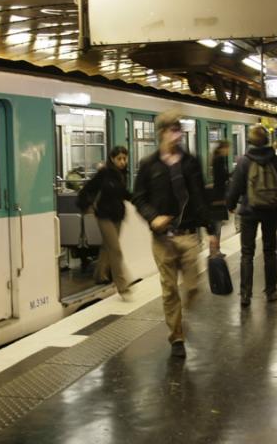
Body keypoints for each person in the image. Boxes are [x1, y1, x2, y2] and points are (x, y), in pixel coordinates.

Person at [132, 111, 218, 358]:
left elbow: (201, 197)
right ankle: (176, 337)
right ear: (161, 133)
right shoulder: (149, 165)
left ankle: (181, 316)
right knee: (169, 289)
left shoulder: (191, 162)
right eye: (172, 130)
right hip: (162, 238)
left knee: (192, 287)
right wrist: (152, 217)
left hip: (189, 235)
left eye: (179, 130)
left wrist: (212, 230)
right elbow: (138, 196)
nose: (177, 135)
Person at [226, 125, 277, 307]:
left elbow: (236, 186)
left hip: (249, 212)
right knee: (270, 252)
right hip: (271, 211)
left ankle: (246, 294)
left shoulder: (244, 161)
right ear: (267, 141)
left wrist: (230, 205)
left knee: (247, 253)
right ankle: (271, 292)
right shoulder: (275, 160)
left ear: (250, 141)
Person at [77, 146, 132, 295]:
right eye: (119, 159)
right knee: (115, 249)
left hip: (118, 215)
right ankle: (122, 285)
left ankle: (99, 275)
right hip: (104, 215)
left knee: (107, 247)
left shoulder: (122, 174)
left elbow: (123, 194)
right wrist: (86, 206)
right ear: (112, 159)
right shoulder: (104, 174)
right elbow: (87, 189)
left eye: (124, 158)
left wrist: (137, 199)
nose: (122, 162)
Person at [210, 140, 231, 246]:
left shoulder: (216, 158)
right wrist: (231, 175)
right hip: (219, 194)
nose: (228, 151)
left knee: (217, 224)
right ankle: (215, 251)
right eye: (228, 148)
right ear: (223, 148)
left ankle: (216, 250)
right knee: (217, 224)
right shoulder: (220, 159)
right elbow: (222, 176)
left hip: (218, 192)